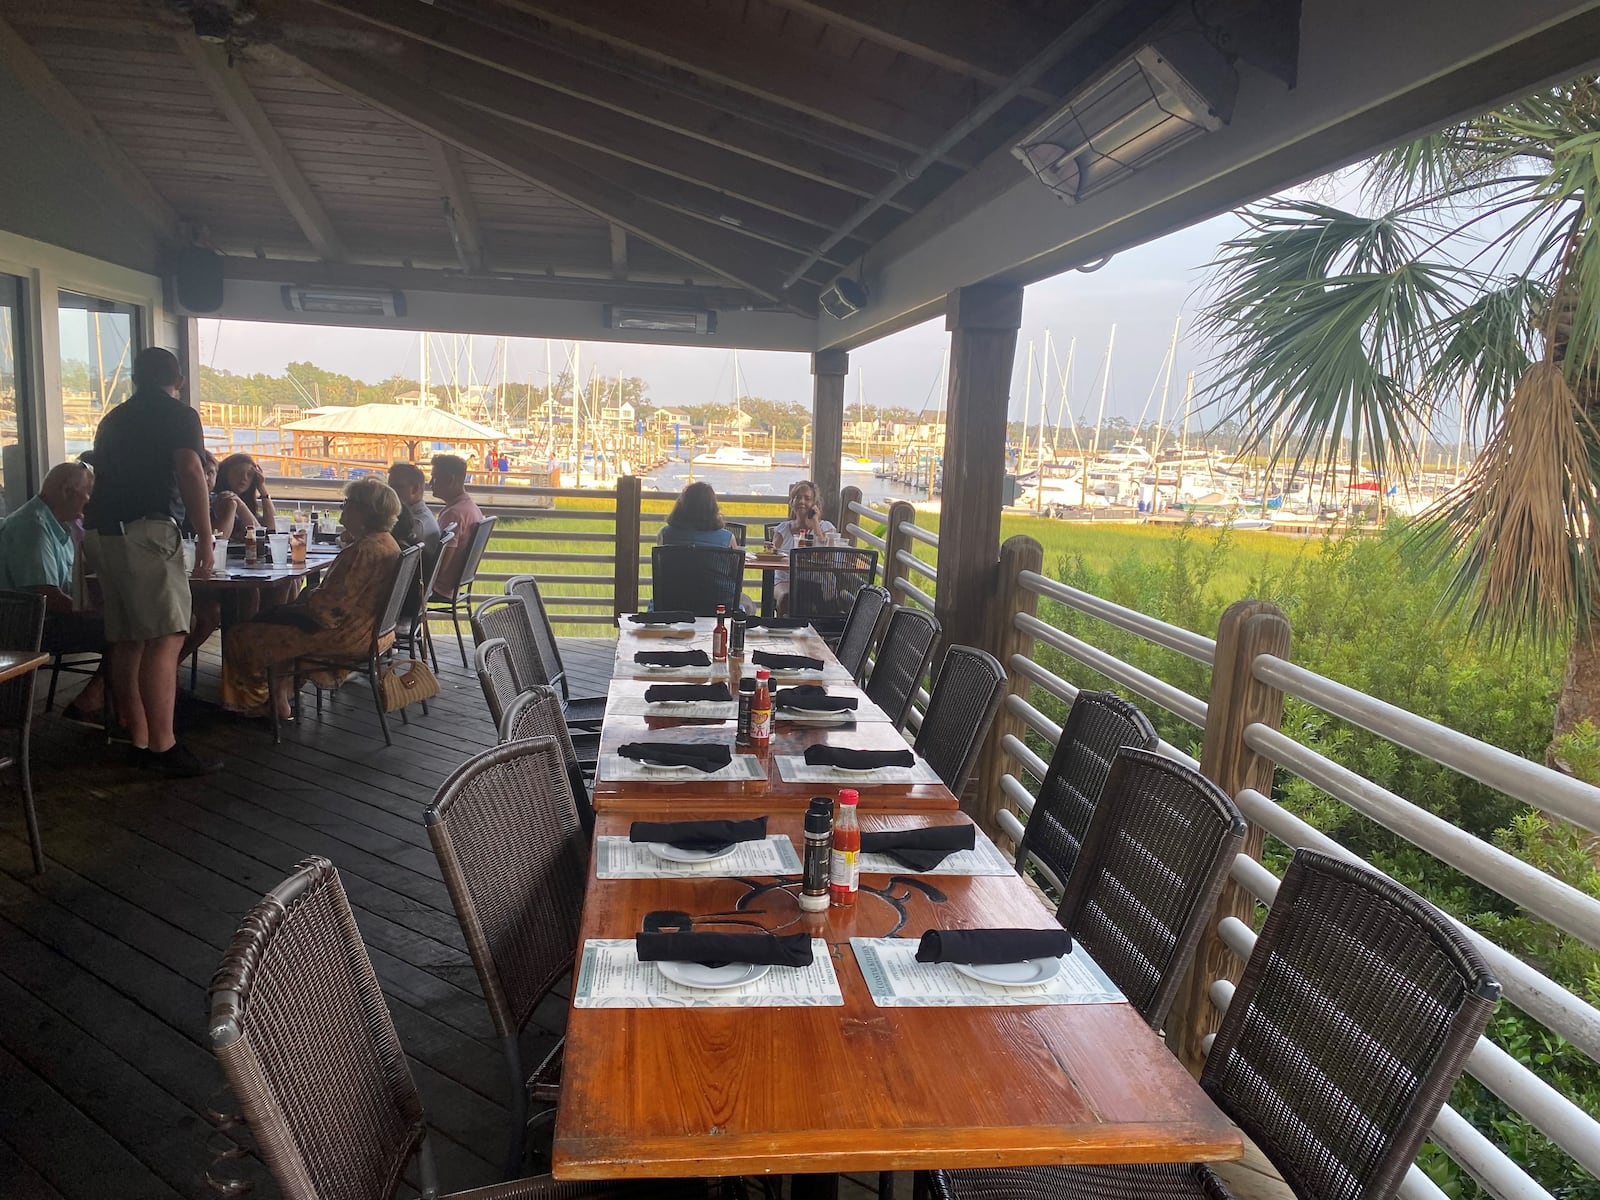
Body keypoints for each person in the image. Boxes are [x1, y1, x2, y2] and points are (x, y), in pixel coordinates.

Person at [82, 346, 219, 777]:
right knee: (167, 636)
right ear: (176, 379)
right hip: (146, 532)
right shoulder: (179, 415)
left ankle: (137, 738)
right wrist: (207, 537)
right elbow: (190, 470)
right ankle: (164, 746)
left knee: (128, 639)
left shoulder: (113, 419)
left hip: (101, 534)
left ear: (136, 379)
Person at [223, 478, 402, 720]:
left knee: (242, 634)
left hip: (344, 636)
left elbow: (327, 611)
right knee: (277, 620)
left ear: (363, 510)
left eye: (347, 503)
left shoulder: (363, 550)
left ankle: (256, 701)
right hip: (373, 634)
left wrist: (300, 603)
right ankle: (280, 696)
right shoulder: (386, 543)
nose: (343, 507)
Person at [0, 461, 108, 720]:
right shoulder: (33, 528)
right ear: (66, 491)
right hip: (26, 628)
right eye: (88, 492)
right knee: (125, 631)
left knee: (128, 626)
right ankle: (90, 703)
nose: (90, 499)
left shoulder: (54, 523)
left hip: (43, 620)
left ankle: (111, 698)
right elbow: (47, 597)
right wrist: (93, 612)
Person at [769, 479, 837, 612]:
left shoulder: (826, 528)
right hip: (786, 579)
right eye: (797, 498)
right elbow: (772, 556)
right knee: (786, 597)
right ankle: (783, 629)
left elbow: (826, 556)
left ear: (814, 504)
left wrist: (815, 523)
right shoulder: (782, 529)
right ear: (791, 502)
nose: (802, 501)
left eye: (807, 498)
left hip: (817, 581)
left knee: (814, 596)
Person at [428, 453, 484, 600]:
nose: (430, 483)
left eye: (434, 478)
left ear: (451, 480)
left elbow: (441, 563)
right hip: (455, 586)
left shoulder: (454, 514)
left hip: (440, 588)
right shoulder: (471, 508)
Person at [213, 453, 276, 539]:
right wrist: (239, 504)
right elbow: (258, 535)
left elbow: (271, 529)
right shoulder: (218, 499)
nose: (244, 478)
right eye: (238, 472)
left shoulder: (245, 500)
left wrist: (262, 488)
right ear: (225, 473)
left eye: (249, 474)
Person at [658, 481, 737, 549]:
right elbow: (735, 565)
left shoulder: (665, 534)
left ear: (682, 505)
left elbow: (660, 562)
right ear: (712, 507)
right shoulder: (727, 539)